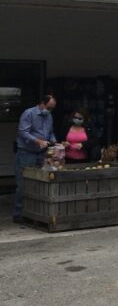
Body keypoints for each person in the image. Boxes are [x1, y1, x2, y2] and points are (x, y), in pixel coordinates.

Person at [14, 93, 57, 223]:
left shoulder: (49, 116)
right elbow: (23, 132)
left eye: (52, 109)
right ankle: (18, 214)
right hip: (26, 152)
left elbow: (50, 132)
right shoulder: (29, 113)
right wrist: (37, 141)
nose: (49, 110)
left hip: (41, 153)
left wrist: (54, 141)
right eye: (48, 107)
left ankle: (34, 214)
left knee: (39, 183)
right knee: (23, 184)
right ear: (42, 103)